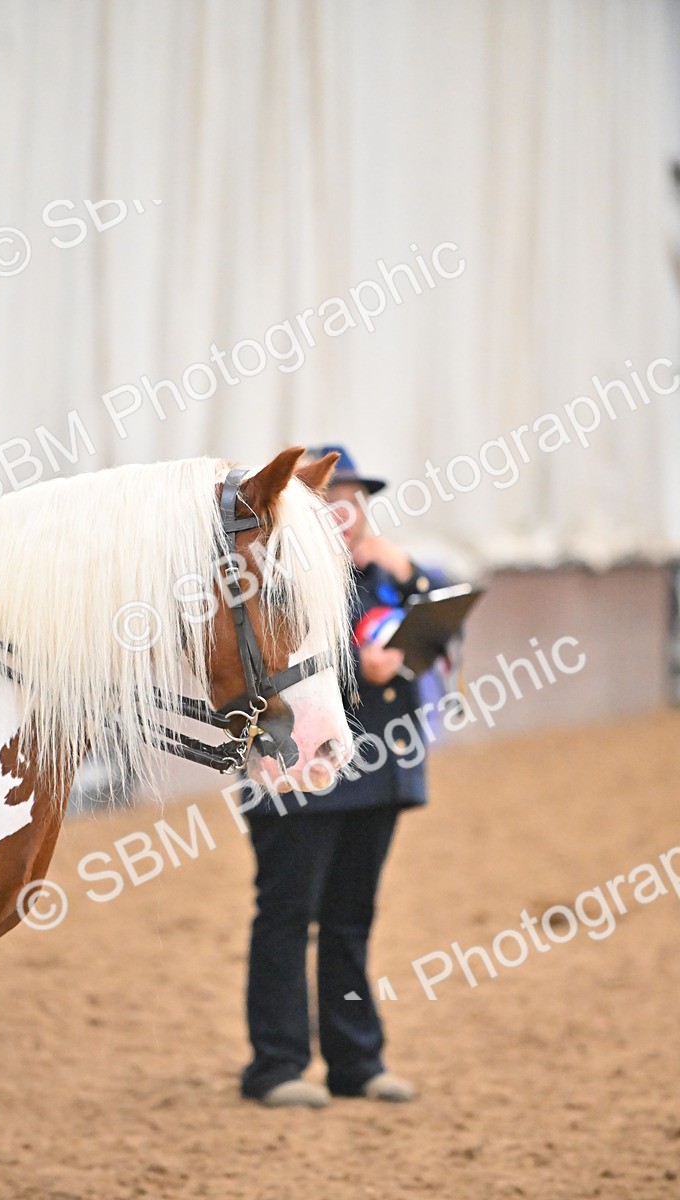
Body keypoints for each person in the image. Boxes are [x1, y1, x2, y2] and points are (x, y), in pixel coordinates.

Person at [240, 445, 438, 1108]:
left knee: (352, 918)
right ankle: (277, 1064)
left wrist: (408, 577)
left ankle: (357, 1060)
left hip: (377, 768)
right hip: (298, 763)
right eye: (330, 497)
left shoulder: (385, 570)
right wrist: (362, 658)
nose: (344, 509)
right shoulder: (279, 573)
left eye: (353, 497)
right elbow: (281, 652)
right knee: (287, 916)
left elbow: (441, 618)